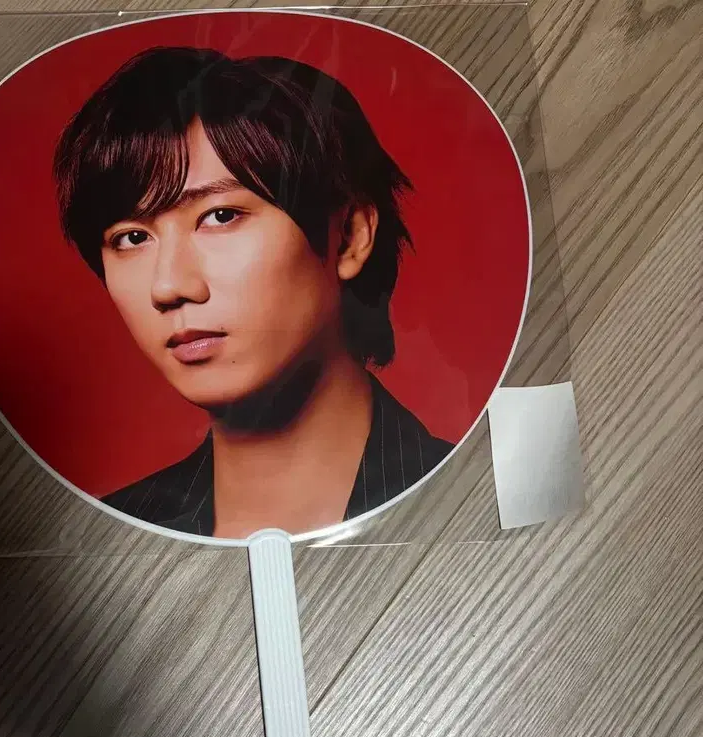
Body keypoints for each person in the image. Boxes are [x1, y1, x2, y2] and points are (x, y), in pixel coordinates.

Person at [54, 46, 452, 538]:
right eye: (132, 238)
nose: (168, 286)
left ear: (349, 236)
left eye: (220, 216)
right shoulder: (107, 540)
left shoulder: (468, 499)